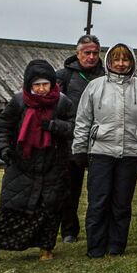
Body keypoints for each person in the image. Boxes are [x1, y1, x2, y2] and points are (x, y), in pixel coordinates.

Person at [0, 60, 76, 266]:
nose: (41, 89)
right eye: (36, 85)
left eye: (45, 84)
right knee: (10, 206)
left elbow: (74, 127)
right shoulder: (19, 101)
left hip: (53, 163)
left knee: (48, 208)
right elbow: (3, 128)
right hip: (22, 162)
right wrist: (4, 149)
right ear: (29, 85)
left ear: (52, 84)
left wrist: (53, 126)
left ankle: (46, 248)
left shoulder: (63, 102)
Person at [72, 43, 137, 258]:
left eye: (125, 60)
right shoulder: (95, 86)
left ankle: (117, 245)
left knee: (122, 202)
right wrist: (79, 149)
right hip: (100, 151)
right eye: (116, 60)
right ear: (109, 61)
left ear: (132, 62)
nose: (121, 64)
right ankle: (95, 247)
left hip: (130, 153)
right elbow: (83, 120)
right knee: (98, 201)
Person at [55, 34, 104, 243]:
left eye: (95, 53)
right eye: (87, 53)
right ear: (78, 54)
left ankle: (98, 229)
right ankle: (69, 230)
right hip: (71, 141)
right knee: (70, 188)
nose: (91, 57)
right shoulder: (64, 76)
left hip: (101, 140)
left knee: (99, 189)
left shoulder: (106, 74)